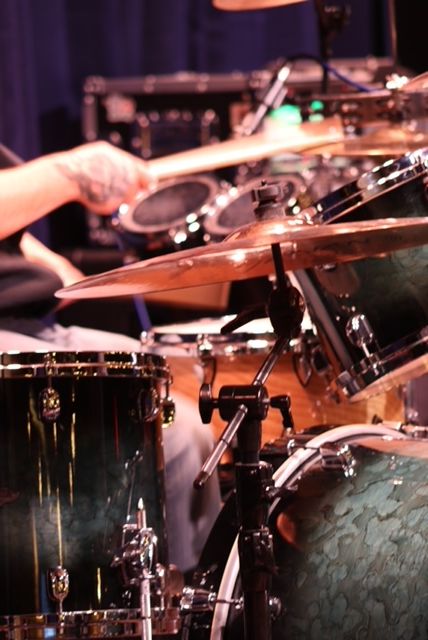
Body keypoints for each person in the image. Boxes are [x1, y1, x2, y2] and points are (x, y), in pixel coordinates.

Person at [0, 140, 222, 574]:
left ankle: (194, 593)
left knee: (178, 384)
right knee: (168, 432)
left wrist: (53, 271)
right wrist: (75, 171)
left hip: (26, 324)